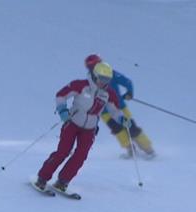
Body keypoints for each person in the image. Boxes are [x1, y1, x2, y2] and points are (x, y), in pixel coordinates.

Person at [34, 61, 123, 192]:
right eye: (101, 79)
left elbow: (114, 110)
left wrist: (122, 119)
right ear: (95, 75)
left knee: (81, 155)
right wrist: (62, 110)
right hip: (72, 123)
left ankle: (63, 181)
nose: (103, 82)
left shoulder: (108, 93)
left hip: (90, 129)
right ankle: (42, 178)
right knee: (63, 152)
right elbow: (61, 95)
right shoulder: (81, 85)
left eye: (107, 80)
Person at [84, 54, 155, 158]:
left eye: (95, 65)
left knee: (130, 127)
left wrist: (129, 93)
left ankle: (148, 149)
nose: (93, 68)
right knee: (117, 129)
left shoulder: (110, 73)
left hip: (119, 106)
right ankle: (130, 149)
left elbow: (127, 82)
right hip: (104, 111)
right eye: (90, 67)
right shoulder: (90, 79)